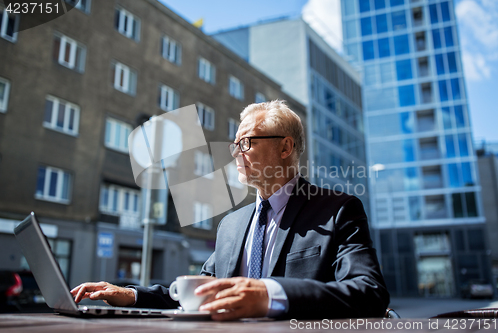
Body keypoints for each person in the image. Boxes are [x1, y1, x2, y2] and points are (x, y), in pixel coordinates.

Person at [71, 100, 389, 320]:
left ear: (285, 147)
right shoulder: (231, 225)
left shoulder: (338, 211)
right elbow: (197, 291)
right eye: (235, 144)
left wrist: (270, 295)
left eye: (247, 142)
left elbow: (368, 292)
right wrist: (131, 295)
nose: (237, 153)